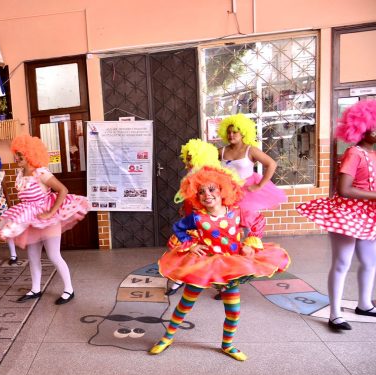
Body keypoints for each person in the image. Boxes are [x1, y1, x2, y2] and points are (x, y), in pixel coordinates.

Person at [152, 166, 289, 361]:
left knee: (233, 311)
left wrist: (250, 243)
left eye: (212, 189)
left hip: (229, 267)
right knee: (185, 304)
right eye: (201, 192)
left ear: (222, 190)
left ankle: (228, 345)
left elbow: (258, 222)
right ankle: (167, 338)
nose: (207, 195)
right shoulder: (197, 217)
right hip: (203, 265)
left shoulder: (237, 212)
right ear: (196, 196)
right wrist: (190, 245)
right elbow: (178, 228)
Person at [297, 100, 376, 330]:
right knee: (342, 262)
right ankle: (335, 313)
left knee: (370, 262)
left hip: (368, 215)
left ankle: (364, 304)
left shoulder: (374, 154)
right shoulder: (354, 153)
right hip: (347, 214)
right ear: (362, 128)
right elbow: (344, 189)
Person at [0, 135, 89, 305]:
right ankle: (35, 289)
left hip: (48, 219)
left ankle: (69, 289)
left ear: (30, 155)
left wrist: (50, 212)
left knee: (53, 255)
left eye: (20, 156)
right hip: (31, 219)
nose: (16, 158)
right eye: (16, 155)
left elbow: (63, 190)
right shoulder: (20, 173)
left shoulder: (41, 172)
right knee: (32, 255)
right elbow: (25, 200)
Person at [166, 139, 243, 296]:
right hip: (195, 220)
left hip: (208, 223)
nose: (186, 162)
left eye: (190, 158)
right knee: (194, 255)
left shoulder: (208, 178)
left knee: (213, 256)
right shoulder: (193, 177)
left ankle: (220, 285)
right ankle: (185, 280)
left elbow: (212, 201)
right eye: (186, 158)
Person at [217, 113, 287, 234]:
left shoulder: (250, 150)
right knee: (229, 222)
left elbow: (271, 164)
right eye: (228, 132)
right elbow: (207, 166)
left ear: (243, 132)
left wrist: (260, 185)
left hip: (246, 191)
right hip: (226, 191)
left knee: (249, 221)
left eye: (234, 132)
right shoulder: (221, 151)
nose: (231, 135)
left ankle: (251, 247)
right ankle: (234, 246)